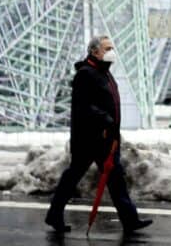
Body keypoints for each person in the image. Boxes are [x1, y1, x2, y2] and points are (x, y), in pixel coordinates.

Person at [45, 35, 153, 234]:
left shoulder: (104, 73)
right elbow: (83, 106)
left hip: (107, 138)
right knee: (73, 177)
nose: (111, 52)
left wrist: (112, 128)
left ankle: (130, 220)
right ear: (94, 52)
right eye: (107, 48)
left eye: (112, 47)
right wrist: (106, 120)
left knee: (116, 179)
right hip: (89, 139)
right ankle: (54, 214)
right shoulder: (86, 74)